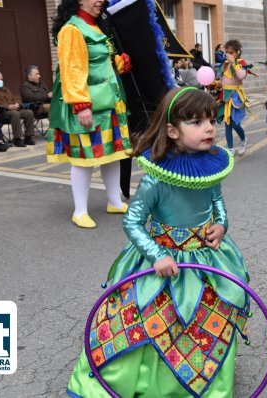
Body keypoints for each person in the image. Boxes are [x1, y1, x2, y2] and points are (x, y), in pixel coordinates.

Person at [66, 87, 249, 397]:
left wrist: (221, 224)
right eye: (196, 122)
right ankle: (138, 380)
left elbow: (216, 200)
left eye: (212, 120)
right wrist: (156, 254)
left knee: (208, 314)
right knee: (148, 315)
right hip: (162, 258)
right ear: (172, 130)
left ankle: (200, 379)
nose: (208, 128)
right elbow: (133, 221)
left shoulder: (213, 164)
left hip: (204, 257)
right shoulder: (158, 175)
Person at [48, 0, 133, 229]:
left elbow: (101, 63)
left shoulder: (97, 27)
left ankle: (114, 201)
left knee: (113, 154)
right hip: (89, 104)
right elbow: (71, 70)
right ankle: (80, 211)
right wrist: (81, 105)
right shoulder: (72, 29)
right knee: (84, 159)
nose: (101, 1)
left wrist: (120, 63)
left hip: (109, 102)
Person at [0, 71, 36, 147]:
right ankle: (17, 139)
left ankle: (28, 137)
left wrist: (17, 104)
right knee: (15, 114)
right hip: (1, 112)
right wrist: (8, 106)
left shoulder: (5, 88)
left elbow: (15, 97)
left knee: (29, 112)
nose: (0, 81)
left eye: (1, 79)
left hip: (13, 109)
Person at [218, 39, 250, 155]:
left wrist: (234, 63)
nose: (228, 55)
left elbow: (241, 76)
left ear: (237, 52)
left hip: (236, 97)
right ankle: (230, 149)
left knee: (236, 123)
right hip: (226, 97)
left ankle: (244, 139)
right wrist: (216, 83)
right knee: (227, 123)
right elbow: (222, 80)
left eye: (231, 52)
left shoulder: (241, 63)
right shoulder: (224, 64)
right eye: (227, 52)